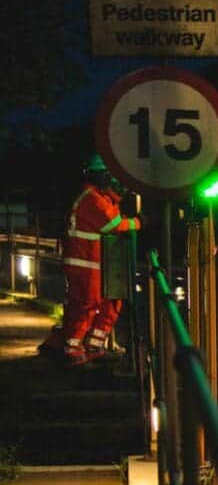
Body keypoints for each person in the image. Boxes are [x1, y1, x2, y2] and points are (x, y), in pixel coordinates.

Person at [49, 156, 139, 367]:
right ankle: (72, 349)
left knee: (107, 303)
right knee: (85, 305)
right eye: (108, 176)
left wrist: (116, 199)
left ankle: (93, 346)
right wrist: (138, 222)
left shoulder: (99, 197)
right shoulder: (92, 198)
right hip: (85, 262)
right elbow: (113, 225)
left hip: (92, 262)